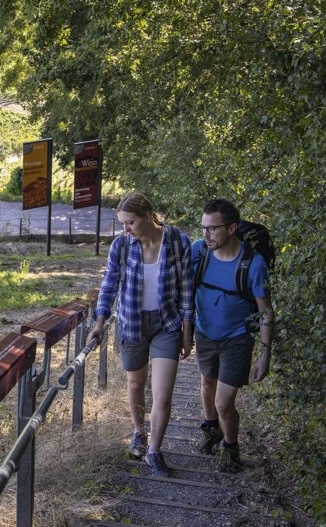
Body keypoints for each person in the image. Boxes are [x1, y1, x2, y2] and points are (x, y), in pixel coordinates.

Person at [87, 192, 194, 477]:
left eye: (130, 223)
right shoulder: (121, 246)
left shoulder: (176, 241)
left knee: (162, 393)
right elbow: (109, 284)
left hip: (167, 325)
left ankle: (154, 451)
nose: (126, 229)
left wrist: (187, 332)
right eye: (123, 223)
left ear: (148, 216)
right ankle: (139, 431)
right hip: (131, 322)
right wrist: (99, 323)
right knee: (135, 385)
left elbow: (186, 288)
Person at [192, 199, 274, 473]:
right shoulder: (198, 252)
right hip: (204, 333)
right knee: (206, 385)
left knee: (223, 402)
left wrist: (265, 353)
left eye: (213, 229)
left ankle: (230, 446)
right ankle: (211, 428)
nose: (206, 235)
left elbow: (265, 312)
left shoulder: (253, 264)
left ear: (232, 228)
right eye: (203, 228)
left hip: (237, 338)